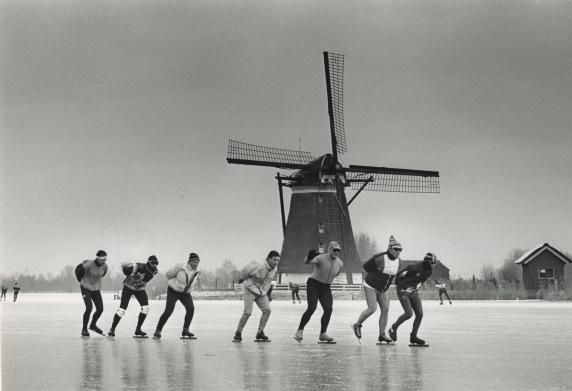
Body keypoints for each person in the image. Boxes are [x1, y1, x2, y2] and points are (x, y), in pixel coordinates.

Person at [352, 235, 402, 344]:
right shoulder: (380, 257)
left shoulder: (399, 261)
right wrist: (376, 277)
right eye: (396, 249)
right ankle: (357, 325)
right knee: (372, 308)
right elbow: (366, 267)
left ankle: (382, 335)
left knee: (385, 309)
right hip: (371, 286)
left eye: (400, 250)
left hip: (384, 289)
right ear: (390, 248)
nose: (398, 252)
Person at [293, 241, 344, 344]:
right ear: (329, 249)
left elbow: (336, 274)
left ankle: (323, 334)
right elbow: (307, 262)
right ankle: (299, 331)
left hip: (326, 287)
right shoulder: (321, 258)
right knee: (312, 307)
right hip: (314, 284)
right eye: (334, 250)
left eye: (338, 250)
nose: (336, 252)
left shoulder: (340, 263)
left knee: (328, 309)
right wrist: (309, 257)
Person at [388, 252, 437, 346]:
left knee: (419, 314)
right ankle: (393, 328)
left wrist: (415, 289)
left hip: (413, 291)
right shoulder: (415, 268)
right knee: (409, 313)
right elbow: (399, 274)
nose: (434, 265)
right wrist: (400, 285)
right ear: (428, 262)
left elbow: (420, 281)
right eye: (433, 263)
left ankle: (413, 337)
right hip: (403, 290)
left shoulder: (429, 271)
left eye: (435, 263)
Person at [233, 250, 280, 343]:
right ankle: (238, 333)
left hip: (260, 292)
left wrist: (267, 294)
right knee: (247, 312)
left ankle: (260, 333)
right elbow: (245, 271)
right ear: (268, 258)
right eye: (274, 260)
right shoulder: (258, 264)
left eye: (278, 260)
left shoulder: (274, 269)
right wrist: (243, 278)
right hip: (250, 289)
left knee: (267, 310)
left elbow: (268, 282)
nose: (276, 262)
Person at [107, 255, 160, 338]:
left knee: (145, 308)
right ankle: (112, 329)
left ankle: (138, 329)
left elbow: (145, 279)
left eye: (156, 263)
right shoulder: (138, 266)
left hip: (139, 289)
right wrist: (124, 267)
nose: (155, 265)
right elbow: (125, 269)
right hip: (128, 287)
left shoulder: (155, 271)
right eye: (153, 263)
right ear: (148, 262)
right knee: (122, 310)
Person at [153, 252, 201, 339]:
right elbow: (168, 275)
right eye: (194, 261)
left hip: (185, 293)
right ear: (189, 261)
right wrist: (176, 284)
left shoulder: (198, 271)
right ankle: (158, 330)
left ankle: (185, 330)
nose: (196, 264)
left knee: (191, 309)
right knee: (168, 311)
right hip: (173, 290)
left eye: (198, 262)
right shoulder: (180, 267)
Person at [76, 250, 108, 337]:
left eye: (105, 259)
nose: (103, 261)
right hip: (85, 287)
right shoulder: (88, 264)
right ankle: (84, 329)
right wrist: (81, 280)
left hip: (96, 289)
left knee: (100, 309)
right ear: (97, 258)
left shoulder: (105, 266)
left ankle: (93, 325)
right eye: (102, 259)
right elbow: (78, 270)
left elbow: (103, 274)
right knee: (89, 308)